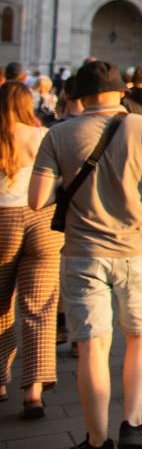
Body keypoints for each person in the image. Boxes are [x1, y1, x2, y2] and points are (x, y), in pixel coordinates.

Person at [29, 60, 142, 449]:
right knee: (139, 336)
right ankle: (132, 423)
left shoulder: (57, 135)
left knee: (93, 346)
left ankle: (97, 440)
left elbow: (37, 199)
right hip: (137, 249)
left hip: (82, 252)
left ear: (80, 96)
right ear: (120, 92)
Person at [0, 81, 58, 419]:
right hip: (42, 219)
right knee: (41, 306)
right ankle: (34, 390)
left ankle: (1, 379)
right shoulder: (41, 136)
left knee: (1, 303)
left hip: (3, 218)